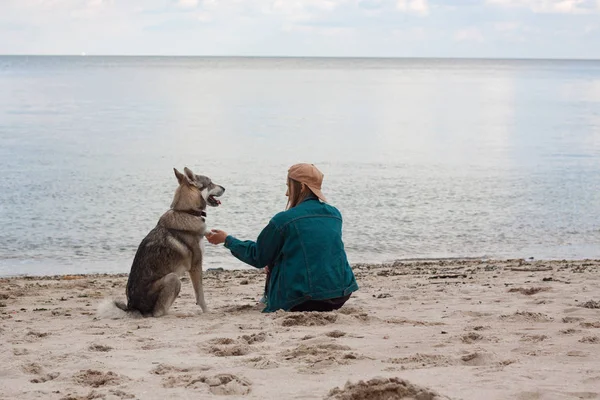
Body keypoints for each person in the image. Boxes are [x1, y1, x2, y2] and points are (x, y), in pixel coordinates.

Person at [206, 163, 359, 313]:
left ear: (303, 187)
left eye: (288, 186)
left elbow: (258, 256)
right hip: (340, 293)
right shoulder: (335, 215)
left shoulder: (284, 220)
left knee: (269, 257)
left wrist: (227, 240)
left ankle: (267, 299)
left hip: (303, 299)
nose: (287, 193)